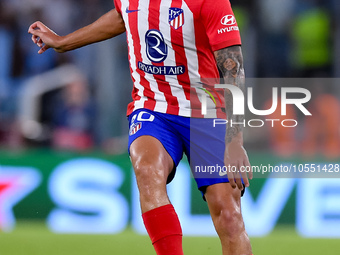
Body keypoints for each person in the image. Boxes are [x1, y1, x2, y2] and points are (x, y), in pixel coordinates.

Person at [28, 0, 253, 254]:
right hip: (152, 107)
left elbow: (233, 67)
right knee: (147, 170)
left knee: (229, 216)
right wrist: (64, 42)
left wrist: (235, 140)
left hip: (206, 112)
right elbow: (121, 16)